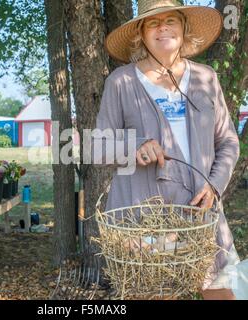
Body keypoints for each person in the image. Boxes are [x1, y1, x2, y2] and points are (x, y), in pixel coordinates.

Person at [93, 0, 242, 300]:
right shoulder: (121, 82)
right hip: (145, 217)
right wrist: (134, 146)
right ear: (141, 34)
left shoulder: (206, 78)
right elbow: (97, 146)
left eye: (171, 20)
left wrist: (214, 185)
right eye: (152, 22)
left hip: (201, 214)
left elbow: (227, 142)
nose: (162, 27)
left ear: (184, 29)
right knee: (157, 295)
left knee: (226, 294)